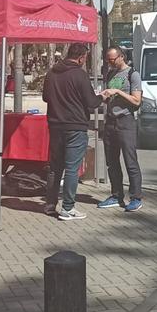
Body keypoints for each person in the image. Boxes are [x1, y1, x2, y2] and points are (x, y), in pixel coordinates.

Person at [43, 43, 107, 221]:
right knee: (71, 168)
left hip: (55, 125)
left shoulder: (52, 72)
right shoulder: (80, 74)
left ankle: (50, 205)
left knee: (55, 168)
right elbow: (92, 102)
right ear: (81, 57)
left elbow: (45, 97)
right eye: (85, 58)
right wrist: (102, 96)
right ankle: (68, 208)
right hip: (75, 127)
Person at [98, 47, 144, 212]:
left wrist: (117, 91)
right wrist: (105, 96)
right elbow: (110, 99)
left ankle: (136, 197)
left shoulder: (133, 74)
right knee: (112, 161)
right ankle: (116, 195)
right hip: (111, 121)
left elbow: (137, 101)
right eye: (108, 60)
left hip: (126, 121)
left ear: (121, 57)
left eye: (112, 59)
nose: (110, 62)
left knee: (130, 160)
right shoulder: (110, 74)